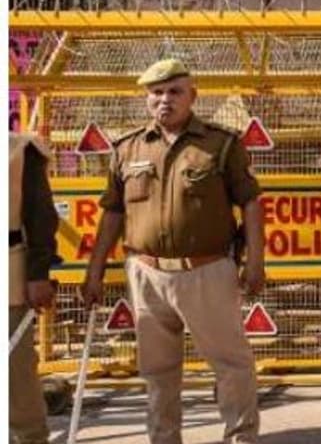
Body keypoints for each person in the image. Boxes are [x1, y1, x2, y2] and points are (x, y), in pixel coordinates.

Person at [81, 58, 264, 444]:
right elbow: (113, 212)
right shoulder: (127, 148)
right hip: (146, 274)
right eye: (156, 92)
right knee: (157, 371)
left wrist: (255, 263)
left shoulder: (221, 144)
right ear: (147, 98)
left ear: (192, 96)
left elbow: (250, 202)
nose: (165, 100)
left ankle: (241, 437)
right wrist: (94, 270)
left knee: (231, 365)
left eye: (174, 91)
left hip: (206, 272)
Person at [10, 132, 59, 444]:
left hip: (8, 271)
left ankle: (29, 437)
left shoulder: (18, 150)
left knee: (14, 369)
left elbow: (40, 214)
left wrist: (38, 274)